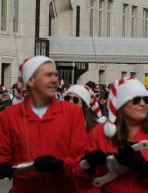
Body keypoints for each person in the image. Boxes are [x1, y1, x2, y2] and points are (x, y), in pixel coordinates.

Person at [0, 56, 88, 192]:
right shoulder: (9, 116)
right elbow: (3, 155)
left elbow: (80, 155)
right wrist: (4, 166)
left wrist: (60, 167)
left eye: (55, 75)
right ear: (30, 80)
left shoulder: (72, 112)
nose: (54, 80)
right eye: (48, 75)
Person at [80, 77, 148, 192]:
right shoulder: (100, 132)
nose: (143, 104)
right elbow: (79, 177)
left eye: (146, 100)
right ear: (121, 104)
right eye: (136, 100)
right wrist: (89, 165)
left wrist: (146, 167)